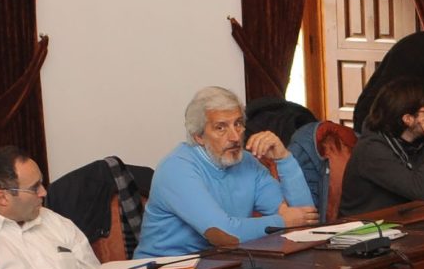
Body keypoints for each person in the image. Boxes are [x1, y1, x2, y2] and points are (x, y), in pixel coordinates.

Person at [136, 86, 318, 257]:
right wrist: (284, 222)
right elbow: (224, 235)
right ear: (198, 136)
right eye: (220, 127)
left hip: (220, 267)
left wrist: (284, 158)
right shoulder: (176, 168)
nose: (234, 137)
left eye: (238, 124)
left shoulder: (247, 162)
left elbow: (305, 220)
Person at [335, 77, 424, 216]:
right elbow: (420, 191)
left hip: (405, 221)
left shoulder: (420, 141)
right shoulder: (372, 149)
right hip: (365, 229)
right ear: (408, 119)